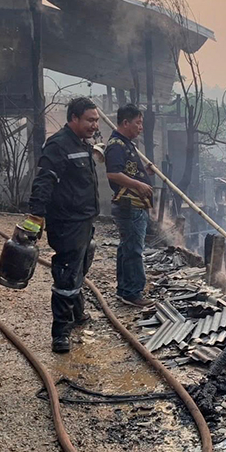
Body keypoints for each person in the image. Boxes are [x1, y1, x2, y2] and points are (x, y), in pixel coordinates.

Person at [25, 97, 100, 353]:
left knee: (81, 264)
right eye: (90, 120)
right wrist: (35, 216)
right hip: (67, 222)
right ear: (74, 118)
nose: (94, 125)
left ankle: (78, 313)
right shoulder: (58, 145)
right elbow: (44, 181)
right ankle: (61, 333)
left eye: (96, 120)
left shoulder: (81, 143)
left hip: (85, 218)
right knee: (67, 274)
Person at [105, 104, 154, 306]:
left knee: (127, 247)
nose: (140, 127)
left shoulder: (127, 144)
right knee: (133, 249)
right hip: (129, 205)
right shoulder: (117, 145)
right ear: (125, 122)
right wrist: (139, 184)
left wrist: (145, 172)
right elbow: (113, 173)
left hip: (134, 206)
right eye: (138, 123)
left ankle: (124, 289)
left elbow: (129, 170)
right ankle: (132, 293)